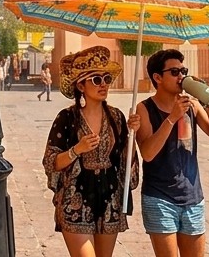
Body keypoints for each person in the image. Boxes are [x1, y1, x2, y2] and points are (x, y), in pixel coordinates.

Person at [42, 47, 141, 257]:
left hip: (109, 197)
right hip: (76, 196)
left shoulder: (117, 117)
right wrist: (77, 150)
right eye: (96, 79)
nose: (103, 84)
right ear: (81, 85)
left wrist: (133, 135)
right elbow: (51, 162)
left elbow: (126, 163)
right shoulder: (67, 118)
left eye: (106, 78)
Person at [135, 49, 209, 257]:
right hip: (159, 197)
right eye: (175, 71)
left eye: (183, 71)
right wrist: (172, 118)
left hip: (192, 196)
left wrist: (206, 100)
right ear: (157, 77)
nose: (181, 77)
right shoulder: (145, 108)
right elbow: (148, 153)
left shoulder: (192, 106)